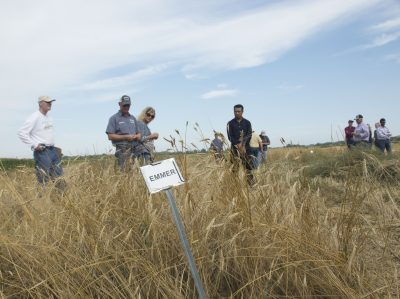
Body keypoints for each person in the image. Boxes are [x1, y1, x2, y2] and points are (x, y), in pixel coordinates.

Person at [18, 96, 64, 187]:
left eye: (51, 102)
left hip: (52, 150)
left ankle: (61, 200)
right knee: (43, 180)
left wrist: (53, 147)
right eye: (47, 102)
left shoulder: (49, 117)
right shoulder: (34, 116)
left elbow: (45, 133)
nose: (50, 104)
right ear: (40, 103)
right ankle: (42, 200)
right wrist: (34, 145)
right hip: (42, 152)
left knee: (59, 177)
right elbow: (21, 132)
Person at [106, 95, 141, 170]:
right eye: (124, 105)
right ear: (119, 104)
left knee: (135, 173)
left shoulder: (133, 118)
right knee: (123, 173)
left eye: (128, 105)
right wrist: (126, 137)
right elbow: (110, 136)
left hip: (134, 150)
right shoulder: (114, 118)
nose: (126, 107)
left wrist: (137, 136)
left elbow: (139, 133)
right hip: (122, 151)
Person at [227, 104, 254, 184]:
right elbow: (230, 136)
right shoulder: (230, 123)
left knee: (248, 168)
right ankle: (235, 187)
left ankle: (251, 186)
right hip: (234, 150)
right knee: (234, 169)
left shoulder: (247, 123)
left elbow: (249, 134)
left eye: (239, 111)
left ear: (242, 112)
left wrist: (242, 144)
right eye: (235, 111)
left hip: (246, 150)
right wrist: (236, 144)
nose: (237, 113)